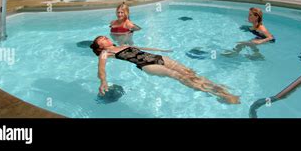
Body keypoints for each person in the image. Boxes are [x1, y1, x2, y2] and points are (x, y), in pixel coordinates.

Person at [90, 36, 240, 105]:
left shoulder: (121, 45)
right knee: (179, 77)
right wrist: (103, 81)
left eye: (103, 37)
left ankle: (219, 89)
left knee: (189, 73)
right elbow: (101, 69)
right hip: (147, 65)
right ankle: (216, 94)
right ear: (100, 46)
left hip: (156, 56)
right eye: (101, 39)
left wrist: (160, 49)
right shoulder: (105, 53)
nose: (104, 37)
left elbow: (142, 48)